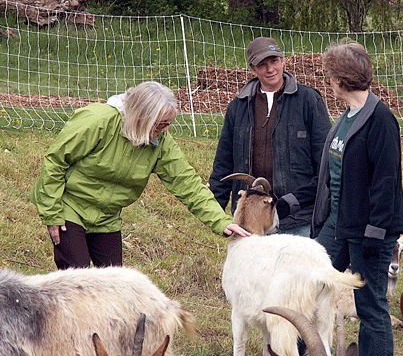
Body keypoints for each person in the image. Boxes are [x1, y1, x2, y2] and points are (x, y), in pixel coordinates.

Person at [31, 81, 250, 270]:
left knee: (115, 286)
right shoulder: (98, 120)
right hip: (70, 209)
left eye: (169, 124)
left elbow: (187, 184)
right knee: (78, 279)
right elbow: (55, 161)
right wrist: (52, 214)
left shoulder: (160, 143)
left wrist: (221, 221)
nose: (165, 130)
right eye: (161, 123)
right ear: (142, 116)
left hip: (107, 218)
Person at [311, 40, 403, 356]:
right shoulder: (346, 117)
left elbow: (386, 183)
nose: (328, 80)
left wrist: (373, 235)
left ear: (340, 80)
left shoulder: (381, 120)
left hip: (370, 234)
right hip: (337, 226)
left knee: (371, 308)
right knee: (310, 286)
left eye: (329, 75)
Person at [209, 37, 331, 236]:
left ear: (283, 61)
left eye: (274, 61)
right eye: (262, 65)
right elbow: (223, 162)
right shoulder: (238, 107)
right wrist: (215, 215)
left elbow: (325, 164)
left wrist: (295, 202)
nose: (270, 69)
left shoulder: (308, 101)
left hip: (298, 219)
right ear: (253, 69)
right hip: (250, 222)